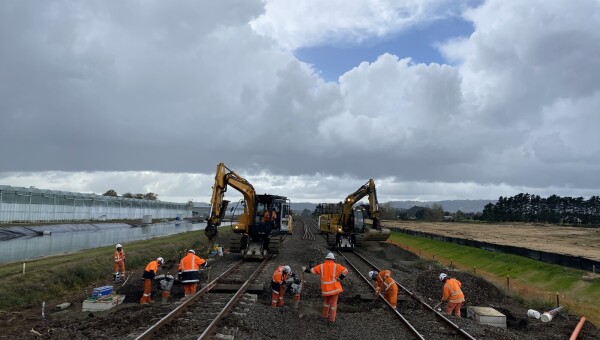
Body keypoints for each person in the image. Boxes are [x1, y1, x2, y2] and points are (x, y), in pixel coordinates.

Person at [303, 252, 349, 323]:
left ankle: (324, 316)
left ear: (326, 259)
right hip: (335, 289)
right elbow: (346, 270)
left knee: (327, 303)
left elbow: (312, 271)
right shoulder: (336, 266)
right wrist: (340, 278)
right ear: (333, 259)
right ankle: (332, 319)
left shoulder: (321, 266)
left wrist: (305, 269)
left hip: (326, 290)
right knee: (333, 304)